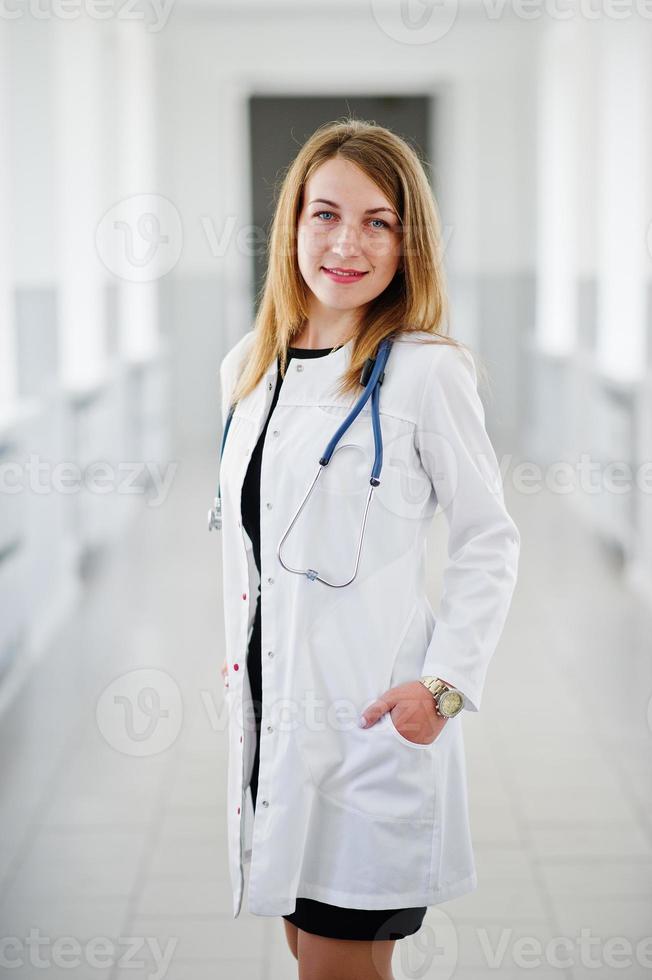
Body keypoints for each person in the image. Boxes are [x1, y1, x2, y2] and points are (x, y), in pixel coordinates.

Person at [218, 118, 520, 980]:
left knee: (334, 964)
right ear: (293, 226)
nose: (346, 242)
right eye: (324, 213)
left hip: (373, 725)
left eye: (378, 221)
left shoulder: (425, 370)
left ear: (407, 241)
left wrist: (446, 687)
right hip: (274, 718)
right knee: (304, 942)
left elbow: (488, 539)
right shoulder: (249, 367)